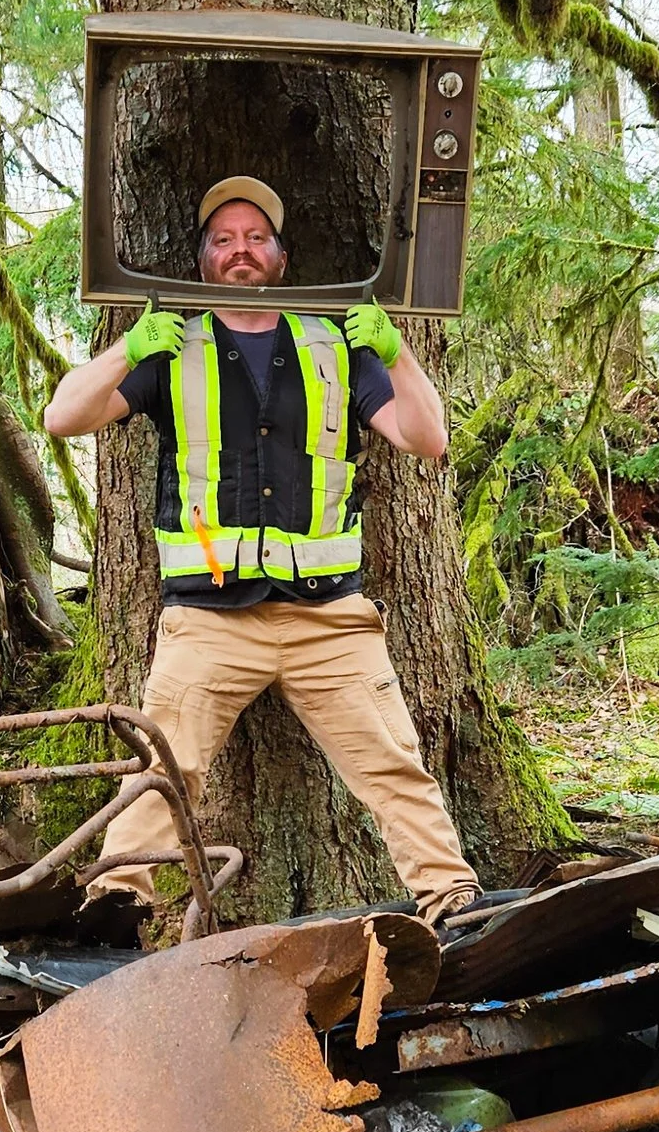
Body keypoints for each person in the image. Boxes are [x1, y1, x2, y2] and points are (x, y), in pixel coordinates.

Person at [43, 175, 481, 929]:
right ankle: (115, 906)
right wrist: (128, 345)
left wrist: (399, 353)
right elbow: (61, 416)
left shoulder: (336, 342)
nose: (239, 250)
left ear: (280, 256)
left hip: (328, 619)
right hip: (210, 620)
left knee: (394, 765)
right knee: (163, 770)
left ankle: (452, 902)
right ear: (204, 257)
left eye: (255, 238)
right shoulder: (171, 345)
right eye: (223, 239)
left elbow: (429, 438)